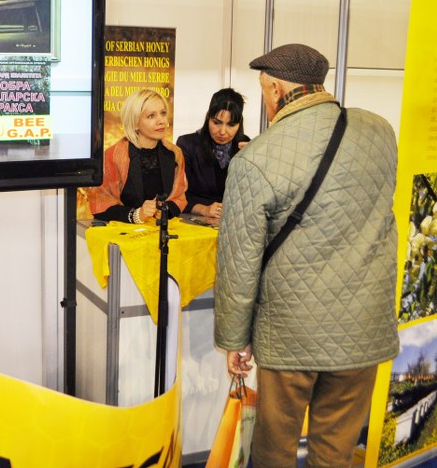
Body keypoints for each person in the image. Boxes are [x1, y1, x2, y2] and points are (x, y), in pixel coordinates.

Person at [213, 44, 398, 467]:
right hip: (363, 328)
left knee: (274, 451)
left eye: (263, 90)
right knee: (335, 452)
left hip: (291, 334)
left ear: (276, 90)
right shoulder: (380, 132)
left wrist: (235, 341)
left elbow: (240, 264)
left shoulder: (254, 160)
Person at [87, 89, 187, 223]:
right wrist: (137, 215)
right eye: (151, 116)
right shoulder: (113, 156)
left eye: (163, 113)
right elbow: (100, 205)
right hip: (123, 231)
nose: (161, 121)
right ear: (134, 123)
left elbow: (179, 197)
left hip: (161, 230)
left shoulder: (174, 153)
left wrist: (165, 211)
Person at [175, 88, 249, 218]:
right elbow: (177, 194)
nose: (222, 131)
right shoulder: (187, 144)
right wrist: (203, 209)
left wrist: (254, 161)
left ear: (239, 124)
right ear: (208, 117)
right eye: (217, 123)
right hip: (193, 220)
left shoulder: (246, 146)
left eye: (231, 125)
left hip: (233, 221)